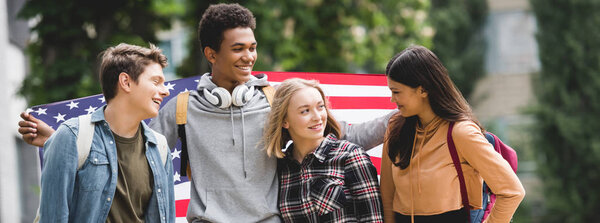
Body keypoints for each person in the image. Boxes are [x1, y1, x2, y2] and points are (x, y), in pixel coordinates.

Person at [19, 3, 393, 222]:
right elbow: (126, 156)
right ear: (211, 54)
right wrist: (58, 143)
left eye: (252, 47)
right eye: (237, 49)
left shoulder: (275, 100)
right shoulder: (181, 108)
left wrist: (403, 113)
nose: (249, 57)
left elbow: (341, 134)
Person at [379, 45, 525, 223]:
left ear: (423, 90)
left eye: (396, 92)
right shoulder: (395, 128)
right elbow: (387, 197)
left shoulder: (461, 132)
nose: (392, 99)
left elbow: (512, 191)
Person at [34, 43, 175, 222]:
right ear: (126, 82)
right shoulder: (70, 137)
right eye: (156, 82)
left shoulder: (160, 148)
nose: (166, 91)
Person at [263, 78, 383, 222]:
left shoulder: (351, 156)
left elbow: (373, 218)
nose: (317, 117)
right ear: (284, 121)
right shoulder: (281, 167)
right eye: (305, 111)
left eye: (320, 107)